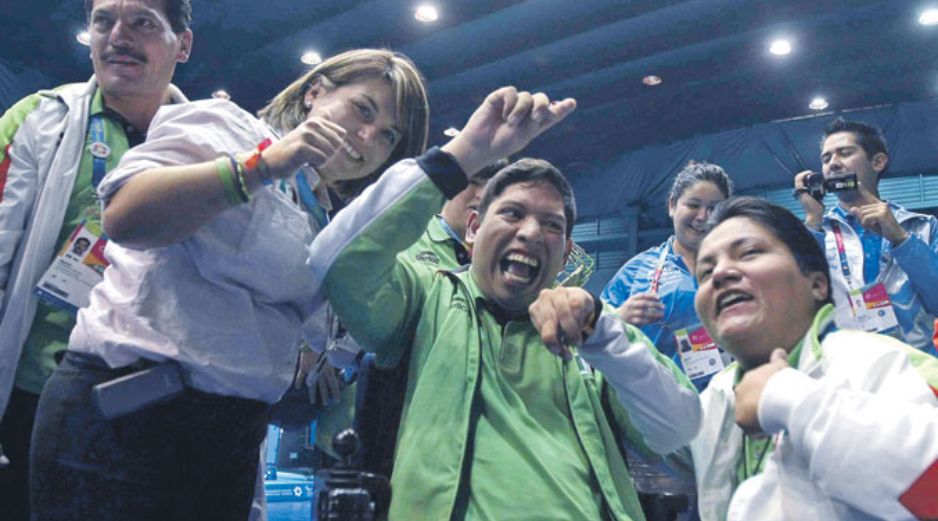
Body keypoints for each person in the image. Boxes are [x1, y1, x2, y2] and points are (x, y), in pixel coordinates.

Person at [29, 48, 429, 520]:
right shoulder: (229, 127)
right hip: (127, 420)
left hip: (228, 437)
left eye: (387, 136)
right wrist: (258, 168)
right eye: (364, 109)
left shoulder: (323, 213)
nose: (367, 137)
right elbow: (124, 215)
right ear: (314, 93)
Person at [308, 87, 702, 520]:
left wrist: (602, 330)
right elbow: (337, 260)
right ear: (473, 227)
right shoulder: (423, 299)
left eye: (551, 224)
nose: (531, 233)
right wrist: (460, 157)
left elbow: (680, 430)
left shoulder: (590, 338)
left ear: (567, 249)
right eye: (512, 214)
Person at [0, 1, 192, 519]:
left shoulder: (209, 148)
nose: (118, 36)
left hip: (152, 402)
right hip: (32, 394)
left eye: (143, 23)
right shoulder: (39, 121)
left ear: (184, 44)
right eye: (104, 20)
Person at [690, 196, 938, 521]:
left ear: (817, 283)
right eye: (705, 273)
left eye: (749, 252)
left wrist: (789, 400)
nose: (720, 274)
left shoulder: (884, 363)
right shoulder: (710, 403)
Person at [794, 118, 938, 355]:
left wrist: (902, 240)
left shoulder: (922, 226)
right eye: (826, 158)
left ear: (878, 161)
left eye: (845, 153)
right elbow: (795, 306)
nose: (833, 164)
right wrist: (812, 220)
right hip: (845, 374)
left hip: (918, 371)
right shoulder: (817, 232)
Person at [603, 161, 734, 390]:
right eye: (693, 205)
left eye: (714, 208)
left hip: (726, 403)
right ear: (672, 205)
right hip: (653, 402)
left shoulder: (738, 268)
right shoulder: (637, 271)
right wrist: (619, 319)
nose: (703, 216)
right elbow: (593, 332)